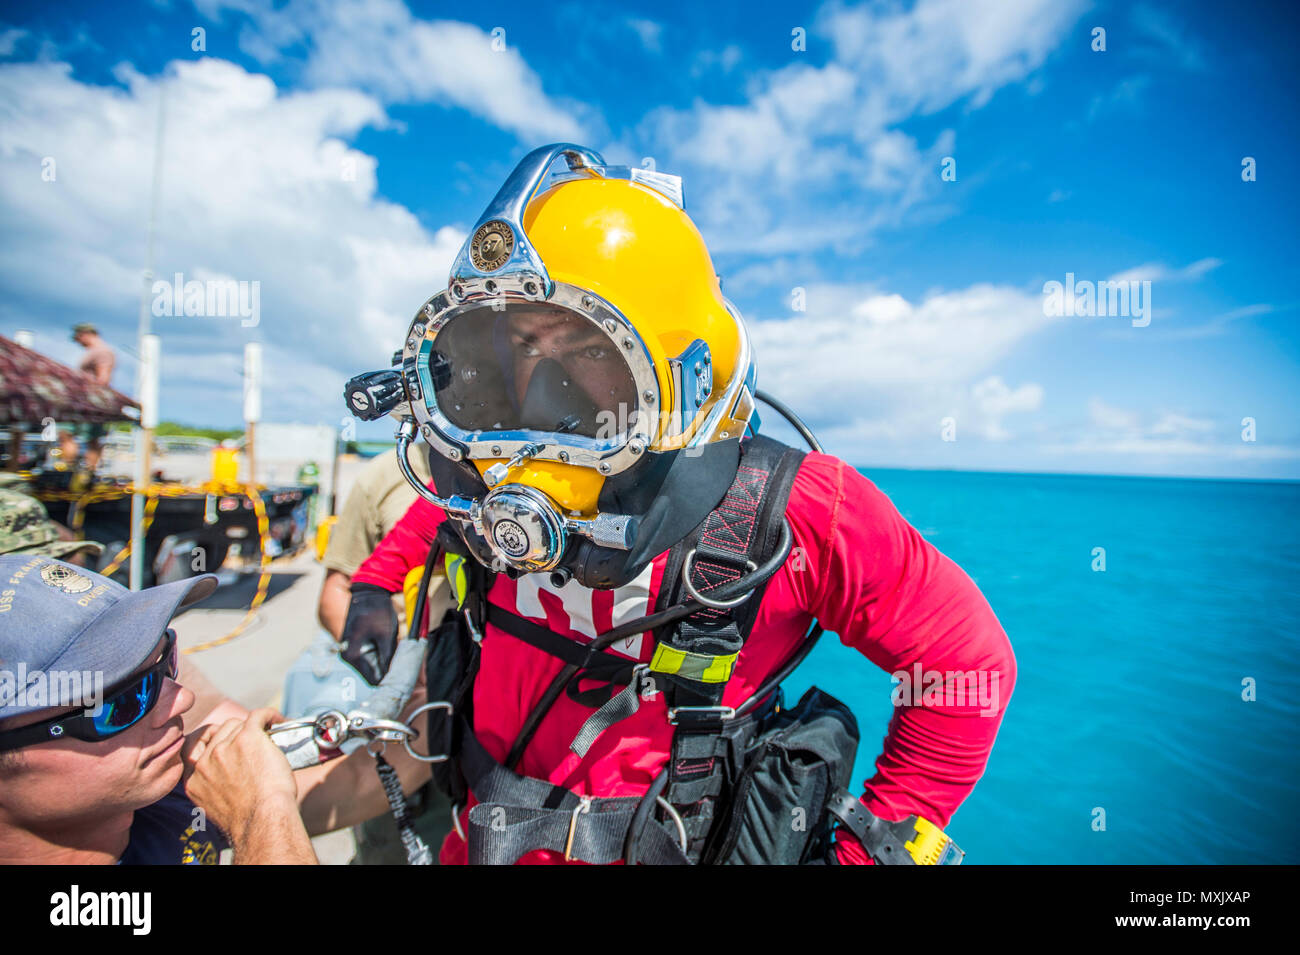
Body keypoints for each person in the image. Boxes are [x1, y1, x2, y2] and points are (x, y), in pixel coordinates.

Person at [337, 145, 1017, 866]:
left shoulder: (793, 510)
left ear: (679, 377)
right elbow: (443, 508)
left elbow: (964, 665)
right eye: (523, 344)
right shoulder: (492, 475)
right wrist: (377, 582)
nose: (542, 383)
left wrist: (869, 848)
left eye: (586, 347)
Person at [0, 555, 433, 864]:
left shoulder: (160, 800)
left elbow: (356, 782)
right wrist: (261, 818)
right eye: (118, 702)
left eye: (166, 662)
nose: (182, 699)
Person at [313, 446, 455, 864]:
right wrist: (394, 676)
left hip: (490, 716)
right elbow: (336, 593)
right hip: (409, 715)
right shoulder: (385, 476)